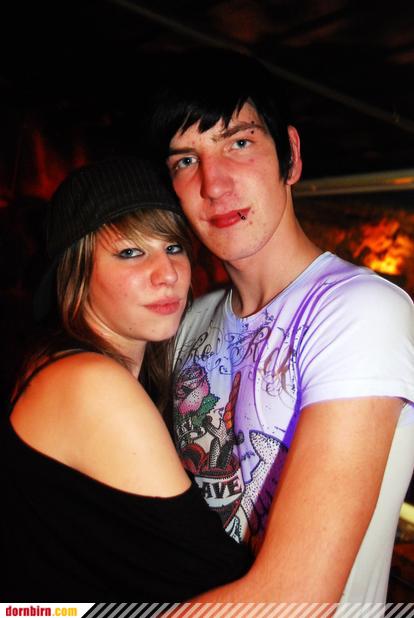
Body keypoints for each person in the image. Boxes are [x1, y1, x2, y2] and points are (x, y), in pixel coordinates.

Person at [148, 47, 414, 604]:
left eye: (239, 143)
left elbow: (294, 597)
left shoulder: (359, 311)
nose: (213, 184)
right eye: (185, 161)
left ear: (289, 157)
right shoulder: (187, 322)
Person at [0, 156, 252, 601]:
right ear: (77, 271)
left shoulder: (61, 365)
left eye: (173, 246)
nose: (167, 273)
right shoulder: (92, 383)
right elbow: (226, 586)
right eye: (130, 252)